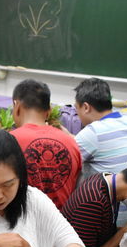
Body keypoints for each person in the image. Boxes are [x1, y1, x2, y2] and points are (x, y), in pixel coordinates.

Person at [10, 79, 82, 210]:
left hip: (22, 223)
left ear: (17, 106)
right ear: (48, 110)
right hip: (62, 224)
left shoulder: (9, 141)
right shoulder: (72, 143)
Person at [73, 78, 127, 178]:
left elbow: (65, 161)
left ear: (86, 107)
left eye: (76, 108)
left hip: (107, 192)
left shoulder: (93, 132)